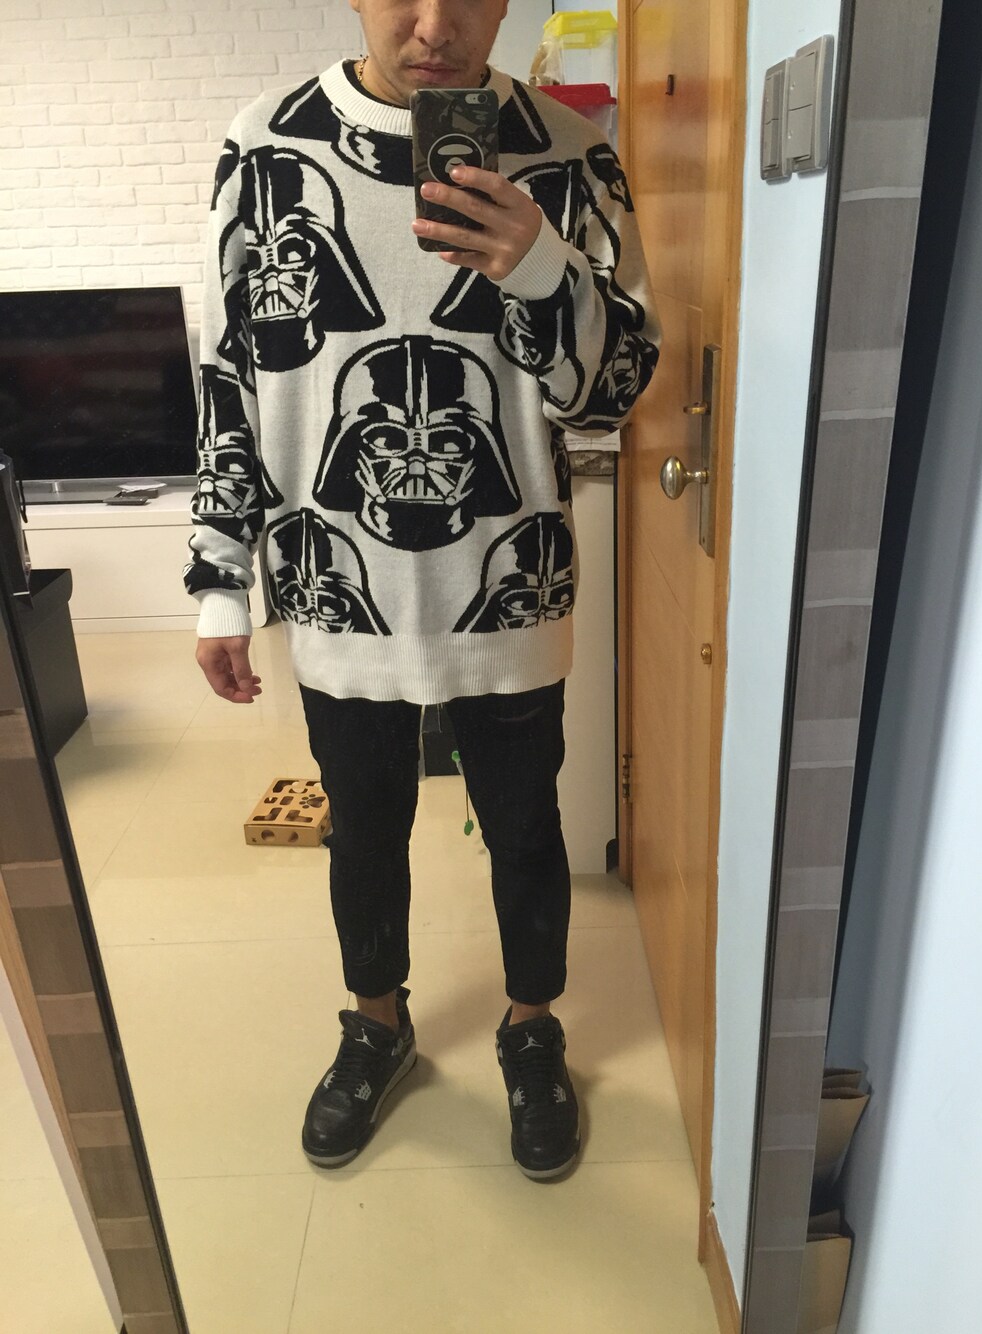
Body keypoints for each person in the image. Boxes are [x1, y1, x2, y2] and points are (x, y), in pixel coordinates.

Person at [187, 0, 660, 1181]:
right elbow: (229, 373)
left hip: (507, 584)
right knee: (364, 825)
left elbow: (609, 397)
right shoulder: (266, 143)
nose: (434, 24)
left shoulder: (570, 152)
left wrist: (539, 264)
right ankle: (377, 1022)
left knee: (525, 826)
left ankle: (531, 1025)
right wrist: (219, 581)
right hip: (334, 582)